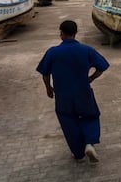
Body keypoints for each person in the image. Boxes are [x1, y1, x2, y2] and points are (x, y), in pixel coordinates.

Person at [36, 20, 110, 163]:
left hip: (63, 96)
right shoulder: (86, 50)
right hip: (83, 92)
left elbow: (45, 73)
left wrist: (48, 88)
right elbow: (102, 66)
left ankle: (78, 153)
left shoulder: (53, 52)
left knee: (68, 121)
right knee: (90, 116)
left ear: (61, 34)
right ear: (76, 33)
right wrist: (91, 78)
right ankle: (89, 143)